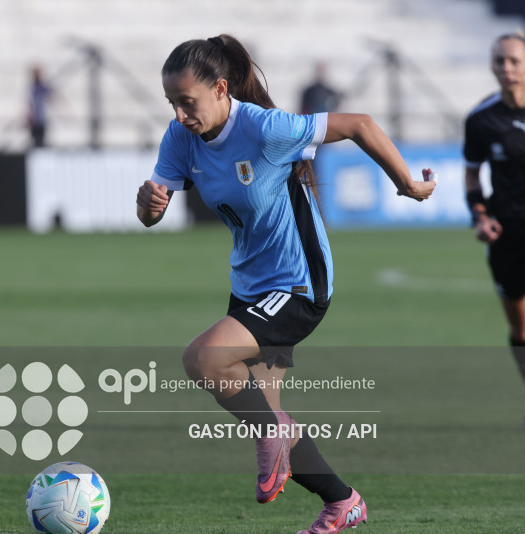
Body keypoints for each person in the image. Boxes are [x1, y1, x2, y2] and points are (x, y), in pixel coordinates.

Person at [136, 34, 435, 534]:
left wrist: (407, 184)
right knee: (269, 418)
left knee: (204, 360)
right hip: (251, 287)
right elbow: (151, 212)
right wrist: (149, 205)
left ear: (221, 89)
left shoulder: (264, 127)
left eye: (188, 102)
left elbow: (359, 124)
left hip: (299, 283)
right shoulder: (181, 136)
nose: (180, 114)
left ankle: (278, 434)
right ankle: (342, 503)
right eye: (172, 103)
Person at [463, 32, 525, 407]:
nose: (507, 68)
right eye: (500, 61)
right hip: (508, 234)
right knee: (520, 326)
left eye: (514, 61)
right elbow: (472, 174)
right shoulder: (481, 120)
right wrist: (480, 218)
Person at [26, 65, 53, 148]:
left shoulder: (42, 87)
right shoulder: (32, 87)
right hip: (34, 120)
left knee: (41, 140)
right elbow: (29, 103)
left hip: (41, 119)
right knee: (35, 141)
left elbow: (51, 96)